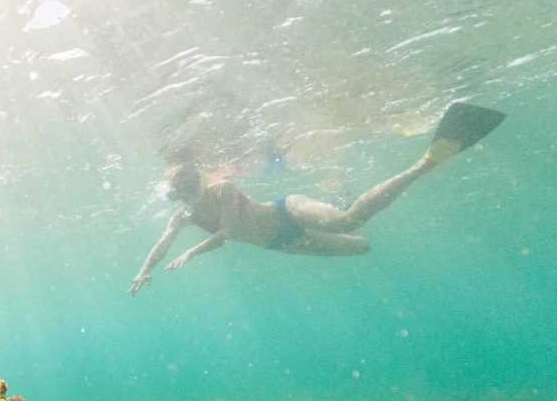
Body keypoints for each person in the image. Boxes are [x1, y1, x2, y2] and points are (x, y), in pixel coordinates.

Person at [128, 102, 505, 295]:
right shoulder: (184, 215)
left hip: (286, 209)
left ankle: (425, 163)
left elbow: (226, 230)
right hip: (283, 242)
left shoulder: (221, 189)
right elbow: (162, 244)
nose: (186, 197)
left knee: (348, 220)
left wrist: (192, 253)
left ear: (195, 182)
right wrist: (145, 268)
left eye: (188, 189)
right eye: (181, 193)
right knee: (361, 247)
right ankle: (343, 192)